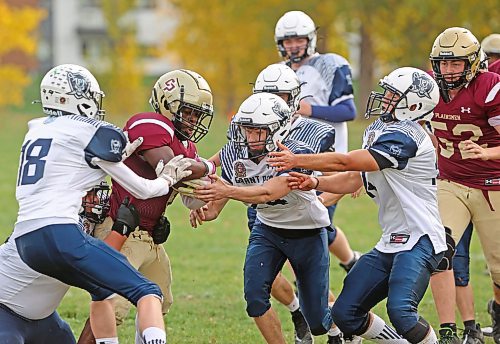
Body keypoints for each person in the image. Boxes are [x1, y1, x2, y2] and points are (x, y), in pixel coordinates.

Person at [0, 64, 194, 344]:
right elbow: (141, 188)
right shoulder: (87, 130)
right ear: (74, 97)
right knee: (147, 292)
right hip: (56, 237)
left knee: (101, 292)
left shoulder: (36, 129)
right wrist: (165, 180)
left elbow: (70, 168)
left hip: (26, 240)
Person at [268, 67, 446, 344]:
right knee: (345, 313)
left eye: (393, 95)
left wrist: (296, 160)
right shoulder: (382, 129)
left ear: (414, 104)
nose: (385, 99)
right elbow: (354, 178)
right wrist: (314, 184)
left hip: (421, 238)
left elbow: (346, 161)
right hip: (391, 240)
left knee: (401, 312)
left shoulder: (407, 135)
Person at [77, 69, 216, 344]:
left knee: (157, 300)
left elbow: (192, 184)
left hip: (149, 238)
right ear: (167, 103)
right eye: (188, 112)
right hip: (121, 228)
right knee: (111, 303)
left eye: (197, 115)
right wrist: (211, 165)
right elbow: (173, 169)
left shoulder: (185, 145)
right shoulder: (150, 124)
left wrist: (199, 197)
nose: (193, 120)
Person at [190, 93, 337, 344]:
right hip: (267, 230)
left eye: (258, 131)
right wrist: (205, 208)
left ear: (278, 130)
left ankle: (345, 326)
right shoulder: (235, 153)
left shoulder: (293, 153)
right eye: (247, 130)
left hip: (307, 231)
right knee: (255, 298)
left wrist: (228, 191)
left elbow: (270, 191)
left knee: (317, 319)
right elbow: (216, 206)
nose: (250, 138)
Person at [427, 27, 500, 344]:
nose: (448, 70)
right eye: (443, 64)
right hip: (451, 182)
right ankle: (448, 331)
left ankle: (496, 311)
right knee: (439, 250)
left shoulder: (489, 87)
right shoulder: (428, 88)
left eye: (455, 64)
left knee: (498, 270)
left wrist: (486, 152)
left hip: (492, 184)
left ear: (472, 63)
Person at [274, 9, 360, 278]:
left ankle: (317, 295)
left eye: (298, 39)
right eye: (288, 41)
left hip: (328, 162)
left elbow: (348, 111)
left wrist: (307, 109)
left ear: (310, 38)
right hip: (292, 158)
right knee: (309, 222)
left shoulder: (330, 64)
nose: (293, 46)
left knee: (311, 226)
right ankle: (352, 262)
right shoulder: (279, 73)